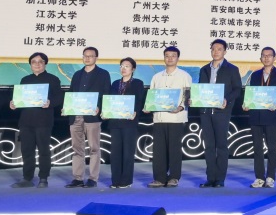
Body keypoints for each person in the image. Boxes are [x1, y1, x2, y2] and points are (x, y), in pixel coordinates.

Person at [10, 52, 63, 188]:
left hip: (44, 121)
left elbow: (59, 98)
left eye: (40, 62)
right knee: (27, 150)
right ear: (30, 65)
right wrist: (14, 104)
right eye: (34, 62)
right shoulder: (25, 80)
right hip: (26, 121)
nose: (37, 64)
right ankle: (27, 178)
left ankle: (43, 178)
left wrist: (50, 103)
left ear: (45, 63)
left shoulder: (53, 79)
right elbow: (20, 99)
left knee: (44, 150)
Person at [198, 39, 243, 187]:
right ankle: (210, 178)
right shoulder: (204, 69)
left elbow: (237, 89)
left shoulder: (232, 69)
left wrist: (226, 99)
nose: (216, 51)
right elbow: (200, 89)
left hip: (222, 112)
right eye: (213, 49)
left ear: (225, 51)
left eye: (219, 49)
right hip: (206, 111)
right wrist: (195, 99)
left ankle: (220, 179)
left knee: (222, 146)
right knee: (209, 146)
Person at [244, 46, 276, 188]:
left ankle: (270, 177)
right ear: (260, 58)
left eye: (269, 55)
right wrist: (247, 104)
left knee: (272, 148)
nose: (266, 58)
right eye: (264, 55)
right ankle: (259, 177)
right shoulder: (255, 75)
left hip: (271, 115)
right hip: (256, 116)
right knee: (257, 148)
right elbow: (251, 94)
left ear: (274, 58)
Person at [147, 46, 192, 188]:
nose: (170, 58)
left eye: (173, 55)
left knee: (174, 149)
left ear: (178, 58)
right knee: (159, 150)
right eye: (167, 55)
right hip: (159, 118)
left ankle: (174, 177)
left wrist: (181, 107)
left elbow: (188, 96)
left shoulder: (184, 76)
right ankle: (159, 178)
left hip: (176, 118)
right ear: (164, 58)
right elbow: (152, 96)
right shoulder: (156, 77)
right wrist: (148, 106)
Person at [66, 46, 111, 188]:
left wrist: (100, 108)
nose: (87, 58)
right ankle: (78, 178)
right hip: (75, 116)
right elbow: (71, 93)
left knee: (94, 148)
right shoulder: (77, 74)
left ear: (96, 58)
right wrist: (67, 107)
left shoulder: (103, 74)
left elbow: (106, 94)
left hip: (92, 116)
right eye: (85, 55)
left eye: (90, 56)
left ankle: (93, 178)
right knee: (77, 149)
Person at [106, 58, 145, 188]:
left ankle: (126, 180)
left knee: (128, 152)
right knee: (115, 152)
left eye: (127, 66)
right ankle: (115, 180)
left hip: (129, 122)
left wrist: (135, 112)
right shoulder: (115, 83)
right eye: (122, 66)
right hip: (115, 122)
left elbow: (139, 100)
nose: (123, 68)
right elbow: (110, 100)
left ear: (133, 69)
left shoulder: (138, 83)